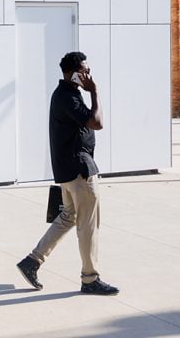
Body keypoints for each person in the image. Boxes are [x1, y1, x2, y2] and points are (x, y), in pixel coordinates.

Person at [16, 51, 119, 296]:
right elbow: (97, 123)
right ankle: (90, 279)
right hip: (80, 172)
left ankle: (32, 261)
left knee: (68, 217)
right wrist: (94, 91)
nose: (88, 75)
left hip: (68, 170)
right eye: (84, 71)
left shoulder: (65, 94)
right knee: (87, 225)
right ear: (73, 74)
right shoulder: (69, 98)